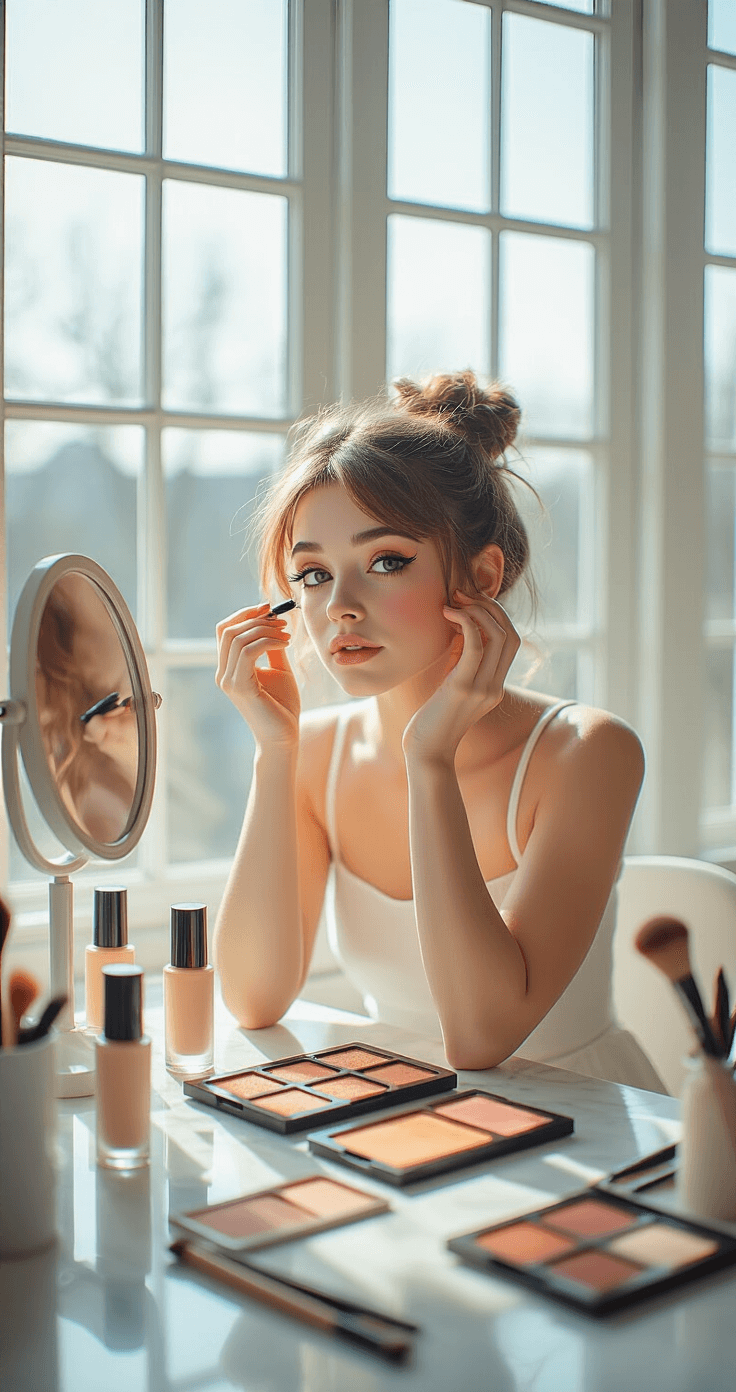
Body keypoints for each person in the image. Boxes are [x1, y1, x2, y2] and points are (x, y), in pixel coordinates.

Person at [214, 371, 665, 1092]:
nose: (340, 608)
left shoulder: (587, 752)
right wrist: (275, 754)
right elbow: (252, 996)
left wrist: (430, 760)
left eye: (386, 561)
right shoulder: (315, 754)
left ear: (482, 575)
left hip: (587, 1135)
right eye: (313, 574)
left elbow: (482, 1035)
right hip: (399, 1116)